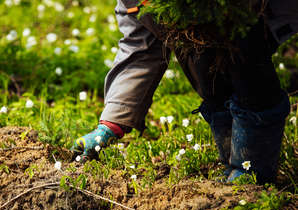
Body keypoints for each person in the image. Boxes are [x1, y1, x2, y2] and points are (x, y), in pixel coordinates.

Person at [72, 0, 297, 184]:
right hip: (201, 39)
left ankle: (253, 174)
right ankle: (233, 163)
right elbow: (138, 48)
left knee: (247, 69)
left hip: (249, 17)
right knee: (205, 69)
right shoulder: (133, 2)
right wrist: (112, 122)